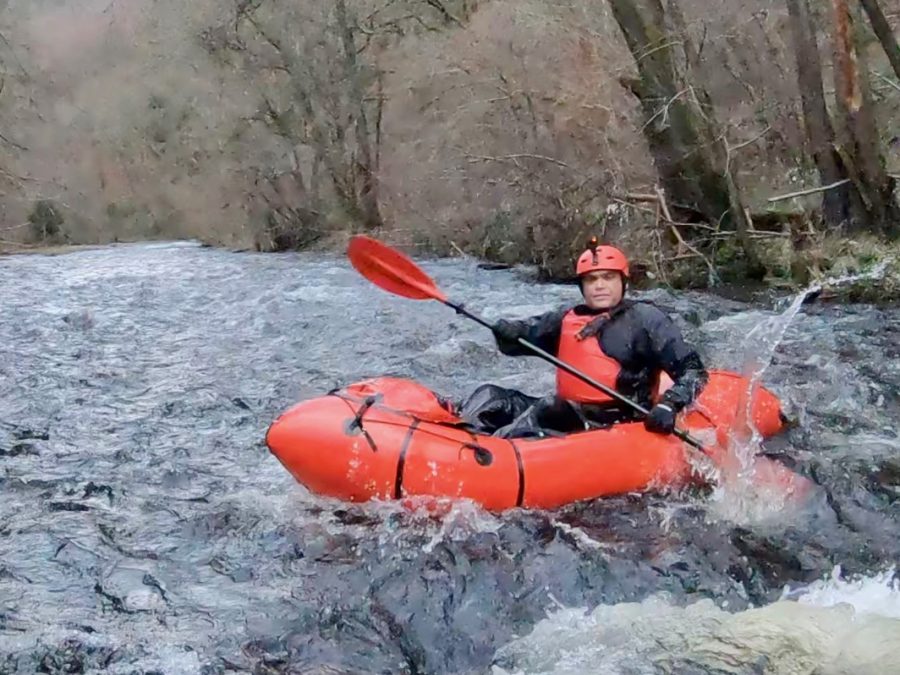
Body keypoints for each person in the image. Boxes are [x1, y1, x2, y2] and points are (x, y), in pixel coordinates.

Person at [457, 239, 708, 438]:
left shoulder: (647, 320)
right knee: (491, 396)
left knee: (547, 408)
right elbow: (519, 341)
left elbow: (693, 371)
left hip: (615, 423)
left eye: (608, 277)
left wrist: (669, 405)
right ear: (582, 286)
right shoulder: (566, 318)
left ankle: (484, 456)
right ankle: (458, 436)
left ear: (623, 282)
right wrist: (505, 333)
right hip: (568, 414)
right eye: (591, 279)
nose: (599, 285)